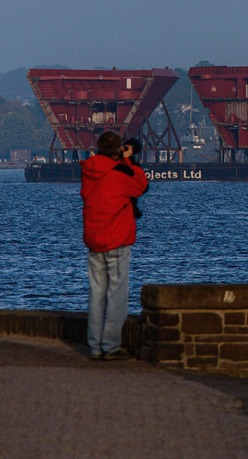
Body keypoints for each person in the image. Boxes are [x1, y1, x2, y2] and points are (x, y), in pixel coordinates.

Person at [80, 130, 148, 360]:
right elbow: (141, 185)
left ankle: (95, 346)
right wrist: (128, 159)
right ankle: (110, 346)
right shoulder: (120, 172)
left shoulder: (88, 169)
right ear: (118, 150)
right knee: (116, 296)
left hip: (94, 239)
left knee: (96, 295)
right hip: (117, 240)